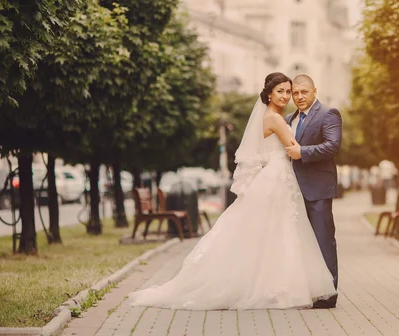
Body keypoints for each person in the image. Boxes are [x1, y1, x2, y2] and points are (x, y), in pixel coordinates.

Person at [128, 72, 336, 310]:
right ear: (269, 93)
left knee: (271, 234)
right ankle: (275, 287)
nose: (287, 96)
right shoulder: (277, 120)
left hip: (274, 176)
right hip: (277, 178)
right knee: (280, 231)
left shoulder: (271, 117)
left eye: (289, 92)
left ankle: (271, 283)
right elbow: (294, 148)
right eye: (282, 91)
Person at [285, 74, 342, 309]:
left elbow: (333, 145)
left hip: (318, 189)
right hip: (293, 190)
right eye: (295, 93)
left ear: (314, 91)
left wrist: (303, 153)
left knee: (323, 241)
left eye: (303, 92)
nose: (299, 97)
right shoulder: (289, 118)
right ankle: (308, 290)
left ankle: (328, 294)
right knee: (301, 243)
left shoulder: (329, 114)